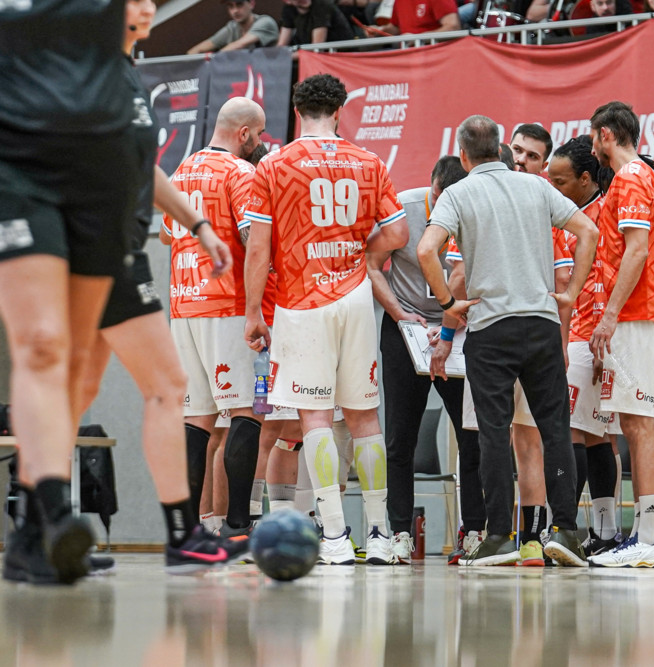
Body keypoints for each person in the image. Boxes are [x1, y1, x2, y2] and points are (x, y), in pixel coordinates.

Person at [75, 0, 244, 576]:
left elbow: (140, 168)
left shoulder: (128, 73)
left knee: (156, 385)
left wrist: (198, 225)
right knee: (75, 384)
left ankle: (181, 535)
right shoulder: (86, 68)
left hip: (122, 249)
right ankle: (42, 524)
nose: (147, 6)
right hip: (86, 245)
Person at [416, 114, 598, 567]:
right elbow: (588, 231)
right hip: (541, 325)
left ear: (463, 155)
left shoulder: (458, 193)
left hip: (490, 328)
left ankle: (499, 536)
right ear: (500, 146)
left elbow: (425, 249)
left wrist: (448, 303)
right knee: (554, 430)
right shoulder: (536, 186)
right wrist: (572, 293)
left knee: (494, 434)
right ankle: (566, 531)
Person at [243, 73, 409, 566]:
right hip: (355, 295)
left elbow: (258, 249)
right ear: (339, 111)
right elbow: (398, 232)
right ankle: (379, 533)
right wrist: (360, 252)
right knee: (364, 416)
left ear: (297, 112)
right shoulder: (369, 161)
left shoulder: (274, 165)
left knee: (313, 416)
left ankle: (334, 536)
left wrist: (253, 313)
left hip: (300, 300)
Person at [0, 0, 140, 585]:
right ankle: (57, 509)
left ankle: (31, 535)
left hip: (100, 165)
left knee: (77, 366)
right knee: (41, 344)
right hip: (15, 163)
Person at [367, 155, 488, 565]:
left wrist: (453, 326)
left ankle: (474, 532)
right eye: (437, 198)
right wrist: (400, 314)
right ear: (431, 184)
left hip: (458, 328)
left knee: (471, 436)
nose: (442, 207)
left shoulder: (476, 211)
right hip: (406, 328)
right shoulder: (403, 208)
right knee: (400, 437)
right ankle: (400, 532)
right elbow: (371, 265)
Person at [161, 97, 267, 540]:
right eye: (258, 134)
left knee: (196, 419)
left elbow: (167, 235)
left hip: (183, 307)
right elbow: (253, 238)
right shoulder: (240, 173)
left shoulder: (180, 172)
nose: (260, 142)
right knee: (246, 411)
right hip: (227, 305)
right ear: (244, 133)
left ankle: (188, 532)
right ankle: (238, 525)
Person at [586, 101, 654, 568]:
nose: (591, 147)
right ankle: (646, 536)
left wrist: (609, 316)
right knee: (636, 425)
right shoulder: (644, 178)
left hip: (637, 316)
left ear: (606, 134)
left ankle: (650, 539)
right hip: (639, 315)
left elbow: (636, 251)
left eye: (593, 137)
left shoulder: (632, 178)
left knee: (641, 426)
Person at [547, 136, 623, 557]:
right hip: (593, 333)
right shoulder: (583, 214)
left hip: (586, 333)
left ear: (586, 178)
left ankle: (565, 530)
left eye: (560, 181)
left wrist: (575, 341)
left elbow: (576, 285)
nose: (553, 189)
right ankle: (605, 533)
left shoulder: (594, 217)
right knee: (597, 436)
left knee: (574, 431)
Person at [188, 0, 279, 54]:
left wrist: (213, 60)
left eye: (239, 4)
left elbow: (239, 45)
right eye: (230, 6)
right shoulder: (231, 28)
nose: (235, 11)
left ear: (251, 3)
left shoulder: (265, 22)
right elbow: (195, 50)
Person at [277, 0, 354, 46]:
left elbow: (317, 46)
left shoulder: (322, 4)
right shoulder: (288, 9)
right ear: (288, 1)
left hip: (341, 55)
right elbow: (282, 44)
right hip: (315, 55)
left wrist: (288, 56)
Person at [381, 0, 460, 34]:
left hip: (434, 54)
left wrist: (418, 38)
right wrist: (379, 31)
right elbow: (397, 27)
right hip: (408, 55)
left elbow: (453, 27)